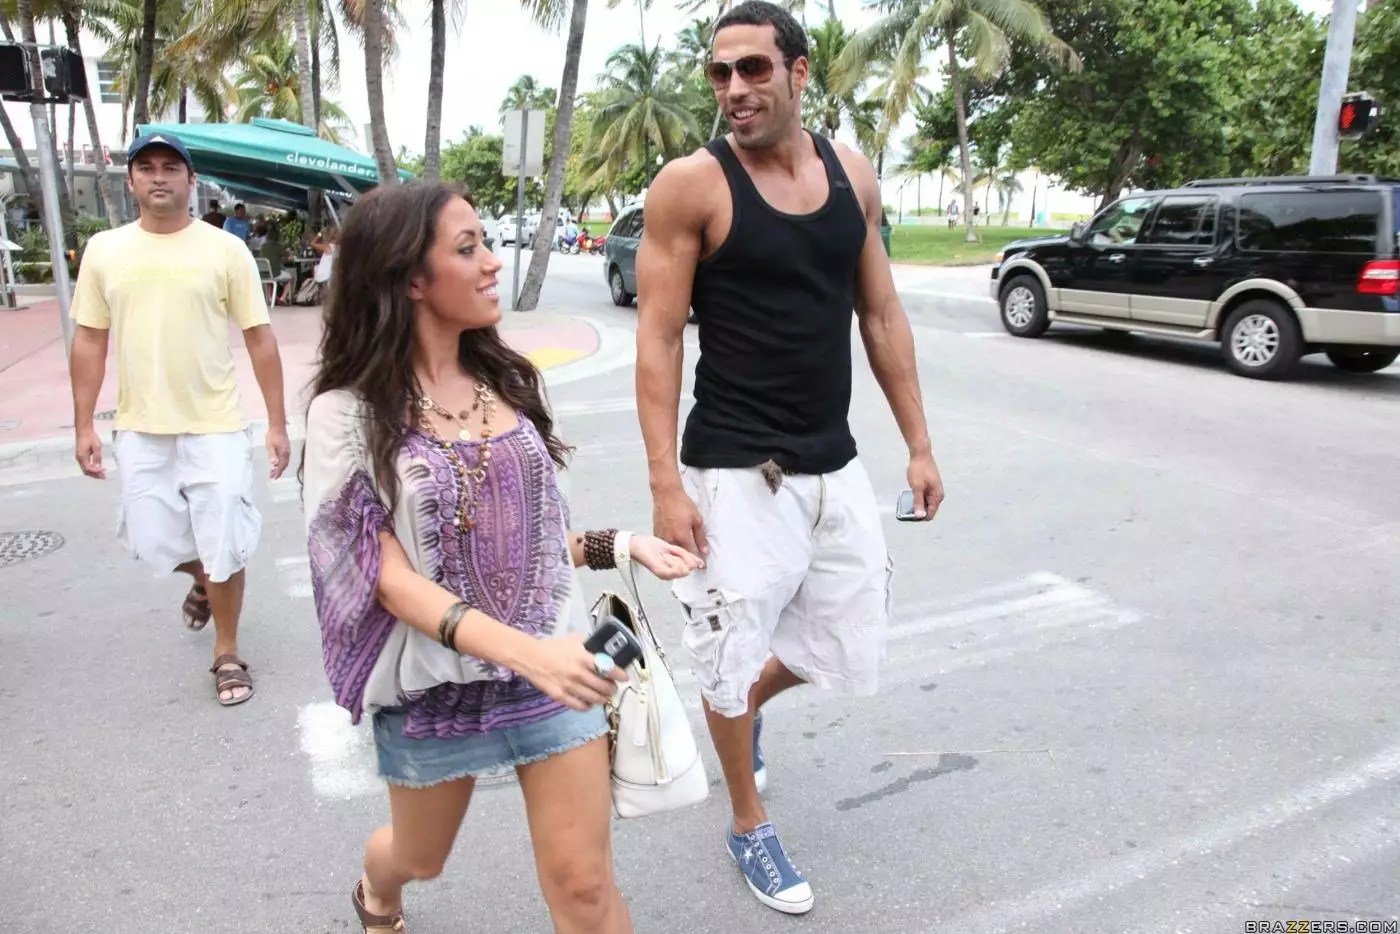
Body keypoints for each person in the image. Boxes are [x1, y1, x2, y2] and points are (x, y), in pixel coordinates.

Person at [299, 179, 704, 934]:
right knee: (419, 857)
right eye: (468, 248)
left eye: (486, 241)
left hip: (554, 669)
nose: (491, 261)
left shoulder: (509, 383)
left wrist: (624, 545)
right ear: (408, 279)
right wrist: (528, 654)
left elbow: (531, 543)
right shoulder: (346, 415)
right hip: (435, 688)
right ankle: (378, 890)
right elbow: (387, 580)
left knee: (585, 886)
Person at [633, 0, 944, 915]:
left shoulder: (853, 173)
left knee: (845, 636)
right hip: (734, 468)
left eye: (754, 69)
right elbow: (658, 339)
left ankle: (748, 713)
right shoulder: (692, 186)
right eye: (720, 72)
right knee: (726, 655)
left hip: (832, 461)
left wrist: (919, 445)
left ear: (799, 73)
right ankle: (747, 821)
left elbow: (880, 313)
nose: (734, 88)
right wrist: (664, 483)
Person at [69, 131, 291, 706]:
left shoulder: (225, 251)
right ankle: (203, 582)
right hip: (140, 426)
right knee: (150, 542)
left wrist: (276, 423)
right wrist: (83, 424)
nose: (159, 176)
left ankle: (227, 651)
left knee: (223, 540)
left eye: (171, 167)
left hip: (215, 423)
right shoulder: (105, 251)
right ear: (131, 181)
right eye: (147, 167)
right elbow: (89, 339)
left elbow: (259, 338)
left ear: (192, 181)